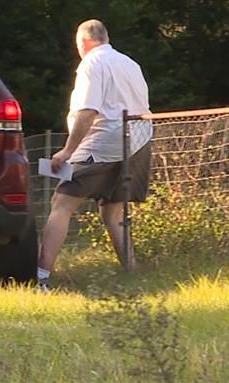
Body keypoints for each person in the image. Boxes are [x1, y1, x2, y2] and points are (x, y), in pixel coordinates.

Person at [37, 19, 153, 292]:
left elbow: (88, 112)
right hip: (139, 139)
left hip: (105, 140)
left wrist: (68, 151)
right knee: (112, 211)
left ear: (82, 43)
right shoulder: (129, 63)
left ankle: (41, 277)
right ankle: (131, 273)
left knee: (62, 203)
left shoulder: (91, 63)